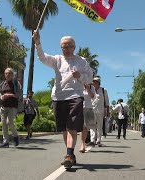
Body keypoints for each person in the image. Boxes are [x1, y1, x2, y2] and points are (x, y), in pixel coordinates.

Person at [32, 31, 93, 168]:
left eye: (67, 46)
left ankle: (69, 154)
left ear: (74, 47)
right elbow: (42, 58)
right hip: (58, 97)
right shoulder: (57, 60)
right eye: (62, 47)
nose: (65, 49)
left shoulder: (81, 61)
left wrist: (80, 76)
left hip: (75, 96)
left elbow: (89, 77)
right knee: (64, 129)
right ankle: (70, 154)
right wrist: (38, 42)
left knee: (71, 126)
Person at [0, 68, 22, 148]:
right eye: (6, 73)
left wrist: (9, 95)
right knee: (4, 123)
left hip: (12, 107)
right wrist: (1, 97)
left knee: (9, 122)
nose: (7, 75)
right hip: (3, 106)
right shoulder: (2, 84)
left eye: (9, 73)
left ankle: (15, 136)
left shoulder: (16, 83)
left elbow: (19, 95)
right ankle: (5, 142)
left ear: (12, 75)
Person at [89, 77, 110, 147]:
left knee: (99, 126)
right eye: (93, 82)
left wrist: (108, 111)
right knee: (92, 125)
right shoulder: (91, 90)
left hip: (100, 111)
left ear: (98, 82)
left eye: (95, 81)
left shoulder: (104, 90)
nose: (93, 83)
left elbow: (107, 101)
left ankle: (98, 140)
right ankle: (92, 140)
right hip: (92, 110)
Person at [79, 84, 96, 153]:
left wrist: (88, 89)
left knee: (85, 127)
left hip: (89, 108)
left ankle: (83, 144)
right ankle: (82, 144)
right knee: (81, 126)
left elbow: (92, 96)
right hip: (79, 108)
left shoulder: (92, 87)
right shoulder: (79, 85)